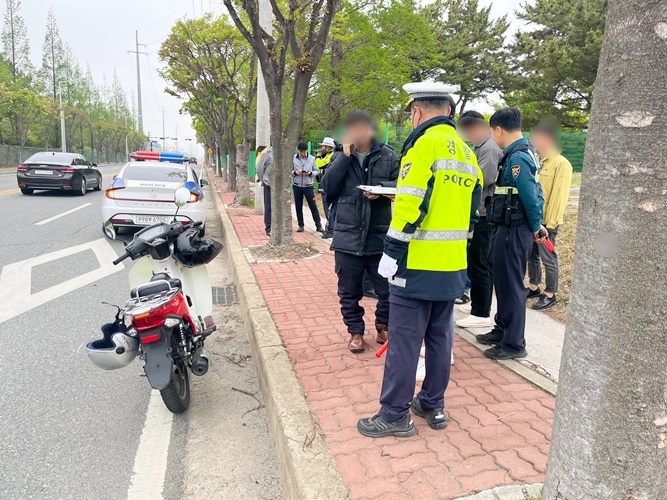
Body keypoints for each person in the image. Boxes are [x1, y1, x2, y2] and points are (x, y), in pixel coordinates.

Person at [357, 83, 482, 438]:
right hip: (452, 266)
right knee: (441, 340)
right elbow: (472, 213)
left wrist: (392, 252)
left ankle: (395, 414)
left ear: (417, 111)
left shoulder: (423, 146)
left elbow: (411, 205)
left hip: (417, 265)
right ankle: (431, 403)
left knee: (405, 342)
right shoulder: (467, 152)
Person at [321, 111, 399, 353]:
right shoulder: (338, 156)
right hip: (347, 236)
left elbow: (401, 185)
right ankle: (355, 331)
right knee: (348, 291)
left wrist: (382, 189)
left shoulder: (387, 155)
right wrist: (344, 157)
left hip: (379, 235)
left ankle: (382, 325)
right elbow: (327, 188)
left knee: (387, 289)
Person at [475, 108, 546, 360]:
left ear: (498, 130)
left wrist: (537, 225)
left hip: (514, 230)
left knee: (512, 285)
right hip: (505, 228)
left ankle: (514, 343)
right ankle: (502, 329)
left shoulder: (518, 158)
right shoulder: (517, 154)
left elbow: (530, 195)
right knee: (503, 282)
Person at [455, 111, 503, 328]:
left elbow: (482, 179)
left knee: (481, 264)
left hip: (485, 214)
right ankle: (476, 303)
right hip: (478, 213)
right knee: (475, 263)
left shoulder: (490, 149)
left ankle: (481, 313)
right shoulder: (480, 148)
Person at [526, 121, 573, 310]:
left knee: (548, 257)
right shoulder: (538, 161)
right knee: (532, 256)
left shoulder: (561, 164)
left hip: (548, 222)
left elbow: (558, 197)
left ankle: (550, 293)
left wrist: (550, 224)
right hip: (536, 219)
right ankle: (534, 286)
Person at [293, 141, 324, 233]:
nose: (302, 154)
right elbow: (289, 170)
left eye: (304, 152)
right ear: (298, 151)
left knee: (313, 206)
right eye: (301, 152)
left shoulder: (312, 159)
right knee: (298, 206)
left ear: (307, 151)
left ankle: (318, 225)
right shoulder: (293, 158)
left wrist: (311, 173)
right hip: (297, 185)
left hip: (308, 186)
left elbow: (317, 171)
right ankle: (301, 225)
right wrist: (295, 173)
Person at [315, 137, 337, 238]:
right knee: (327, 208)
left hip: (328, 186)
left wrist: (318, 157)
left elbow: (319, 165)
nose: (322, 148)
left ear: (328, 147)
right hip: (325, 185)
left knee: (329, 208)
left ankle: (331, 230)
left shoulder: (331, 155)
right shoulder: (329, 155)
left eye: (324, 146)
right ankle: (329, 228)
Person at [256, 146, 272, 236]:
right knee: (268, 207)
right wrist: (262, 179)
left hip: (279, 187)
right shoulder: (267, 155)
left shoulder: (283, 153)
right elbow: (259, 168)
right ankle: (269, 228)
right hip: (269, 184)